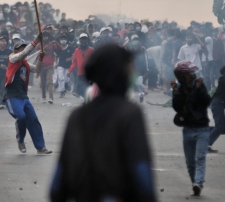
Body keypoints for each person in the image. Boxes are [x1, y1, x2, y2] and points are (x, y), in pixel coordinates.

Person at [50, 44, 156, 202]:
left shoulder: (77, 116)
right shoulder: (130, 114)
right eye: (129, 66)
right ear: (119, 72)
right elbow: (142, 176)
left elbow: (57, 186)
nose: (133, 71)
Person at [4, 35, 51, 154]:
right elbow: (23, 54)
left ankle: (40, 147)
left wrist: (40, 59)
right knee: (21, 117)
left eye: (24, 47)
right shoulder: (13, 58)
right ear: (15, 50)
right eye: (20, 48)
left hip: (23, 97)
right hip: (12, 96)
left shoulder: (25, 63)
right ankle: (20, 140)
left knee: (34, 119)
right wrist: (35, 41)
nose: (23, 50)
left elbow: (37, 69)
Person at [171, 61, 212, 196]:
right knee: (190, 162)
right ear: (182, 76)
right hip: (188, 129)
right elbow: (177, 107)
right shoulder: (179, 88)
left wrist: (199, 89)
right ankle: (195, 183)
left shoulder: (199, 85)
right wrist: (176, 93)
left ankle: (198, 183)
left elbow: (207, 101)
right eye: (189, 74)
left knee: (200, 157)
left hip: (202, 129)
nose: (193, 75)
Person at [67, 33, 94, 98]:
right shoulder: (77, 50)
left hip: (88, 73)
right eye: (82, 39)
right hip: (80, 73)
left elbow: (94, 61)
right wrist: (69, 71)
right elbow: (74, 62)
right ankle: (85, 98)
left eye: (85, 39)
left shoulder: (91, 50)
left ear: (87, 40)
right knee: (79, 89)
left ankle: (86, 101)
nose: (83, 41)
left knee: (87, 88)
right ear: (80, 40)